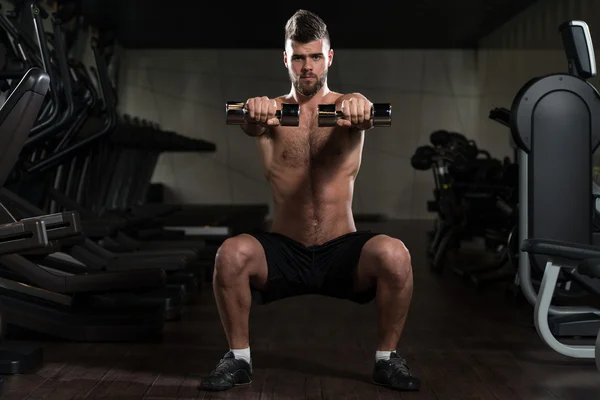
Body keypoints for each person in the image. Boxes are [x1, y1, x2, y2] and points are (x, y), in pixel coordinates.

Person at [200, 9, 420, 393]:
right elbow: (252, 123)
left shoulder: (349, 109)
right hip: (284, 249)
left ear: (329, 58)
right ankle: (238, 359)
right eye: (299, 57)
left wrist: (358, 103)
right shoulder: (270, 115)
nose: (307, 67)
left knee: (396, 255)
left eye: (315, 57)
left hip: (341, 250)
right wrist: (255, 111)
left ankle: (388, 360)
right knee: (230, 254)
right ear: (286, 58)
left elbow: (364, 114)